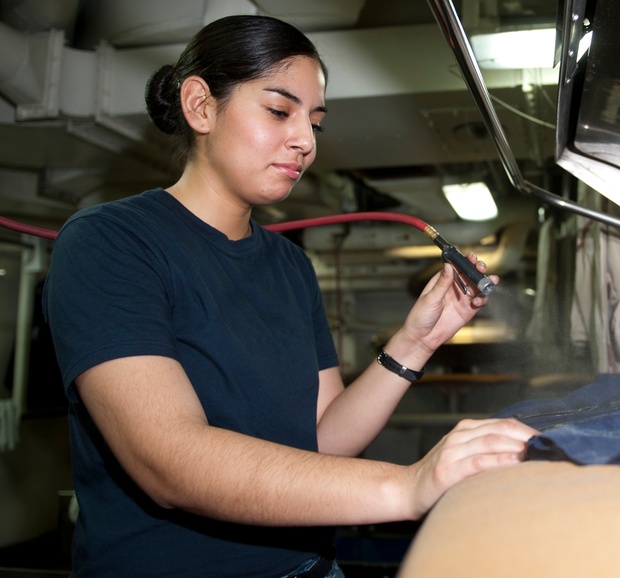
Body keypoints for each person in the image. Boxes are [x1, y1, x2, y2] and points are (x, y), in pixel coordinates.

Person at [41, 14, 538, 578]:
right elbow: (169, 462)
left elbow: (324, 439)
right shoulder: (111, 242)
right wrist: (410, 484)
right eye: (280, 111)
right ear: (201, 105)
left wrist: (417, 341)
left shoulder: (290, 264)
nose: (304, 141)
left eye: (315, 123)